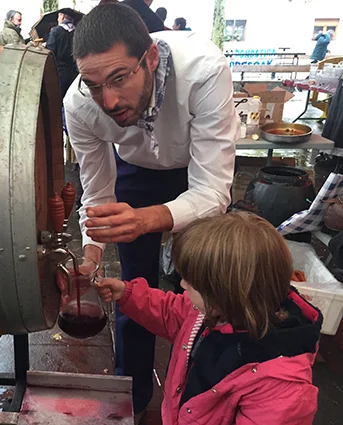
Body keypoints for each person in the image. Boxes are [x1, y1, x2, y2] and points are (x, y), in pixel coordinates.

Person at [64, 2, 238, 421]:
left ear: (151, 58)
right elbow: (98, 192)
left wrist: (146, 219)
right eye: (93, 84)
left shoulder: (204, 69)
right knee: (133, 290)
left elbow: (212, 189)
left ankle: (206, 397)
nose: (109, 100)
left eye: (119, 78)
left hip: (195, 168)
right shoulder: (80, 104)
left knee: (209, 291)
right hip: (134, 173)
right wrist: (90, 257)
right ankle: (134, 399)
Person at [96, 212, 322, 425]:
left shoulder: (278, 388)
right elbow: (171, 312)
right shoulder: (210, 311)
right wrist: (128, 294)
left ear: (226, 292)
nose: (182, 284)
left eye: (191, 282)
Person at [46, 8, 79, 98]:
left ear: (62, 16)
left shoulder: (56, 31)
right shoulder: (78, 32)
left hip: (59, 72)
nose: (57, 19)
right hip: (75, 72)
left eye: (58, 17)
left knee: (58, 98)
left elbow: (50, 52)